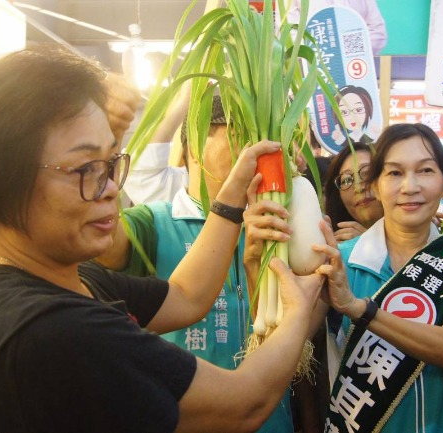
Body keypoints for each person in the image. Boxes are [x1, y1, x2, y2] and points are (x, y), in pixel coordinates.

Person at [0, 44, 324, 433]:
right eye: (85, 168)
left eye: (110, 163)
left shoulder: (68, 282)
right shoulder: (53, 329)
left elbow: (185, 297)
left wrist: (231, 196)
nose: (110, 188)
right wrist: (299, 308)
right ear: (3, 182)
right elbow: (242, 404)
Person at [96, 95, 297, 432]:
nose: (255, 147)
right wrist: (103, 155)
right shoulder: (152, 223)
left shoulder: (275, 225)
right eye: (241, 134)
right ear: (195, 144)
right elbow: (106, 248)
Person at [314, 123, 443, 432]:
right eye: (394, 173)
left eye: (426, 170)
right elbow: (290, 340)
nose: (410, 186)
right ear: (375, 185)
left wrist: (359, 308)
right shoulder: (340, 261)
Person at [324, 141, 383, 243]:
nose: (359, 188)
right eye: (346, 180)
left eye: (367, 173)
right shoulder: (336, 246)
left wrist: (371, 245)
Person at [286, 0, 388, 56]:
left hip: (356, 67)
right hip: (312, 72)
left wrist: (346, 49)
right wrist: (326, 52)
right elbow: (290, 36)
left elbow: (378, 32)